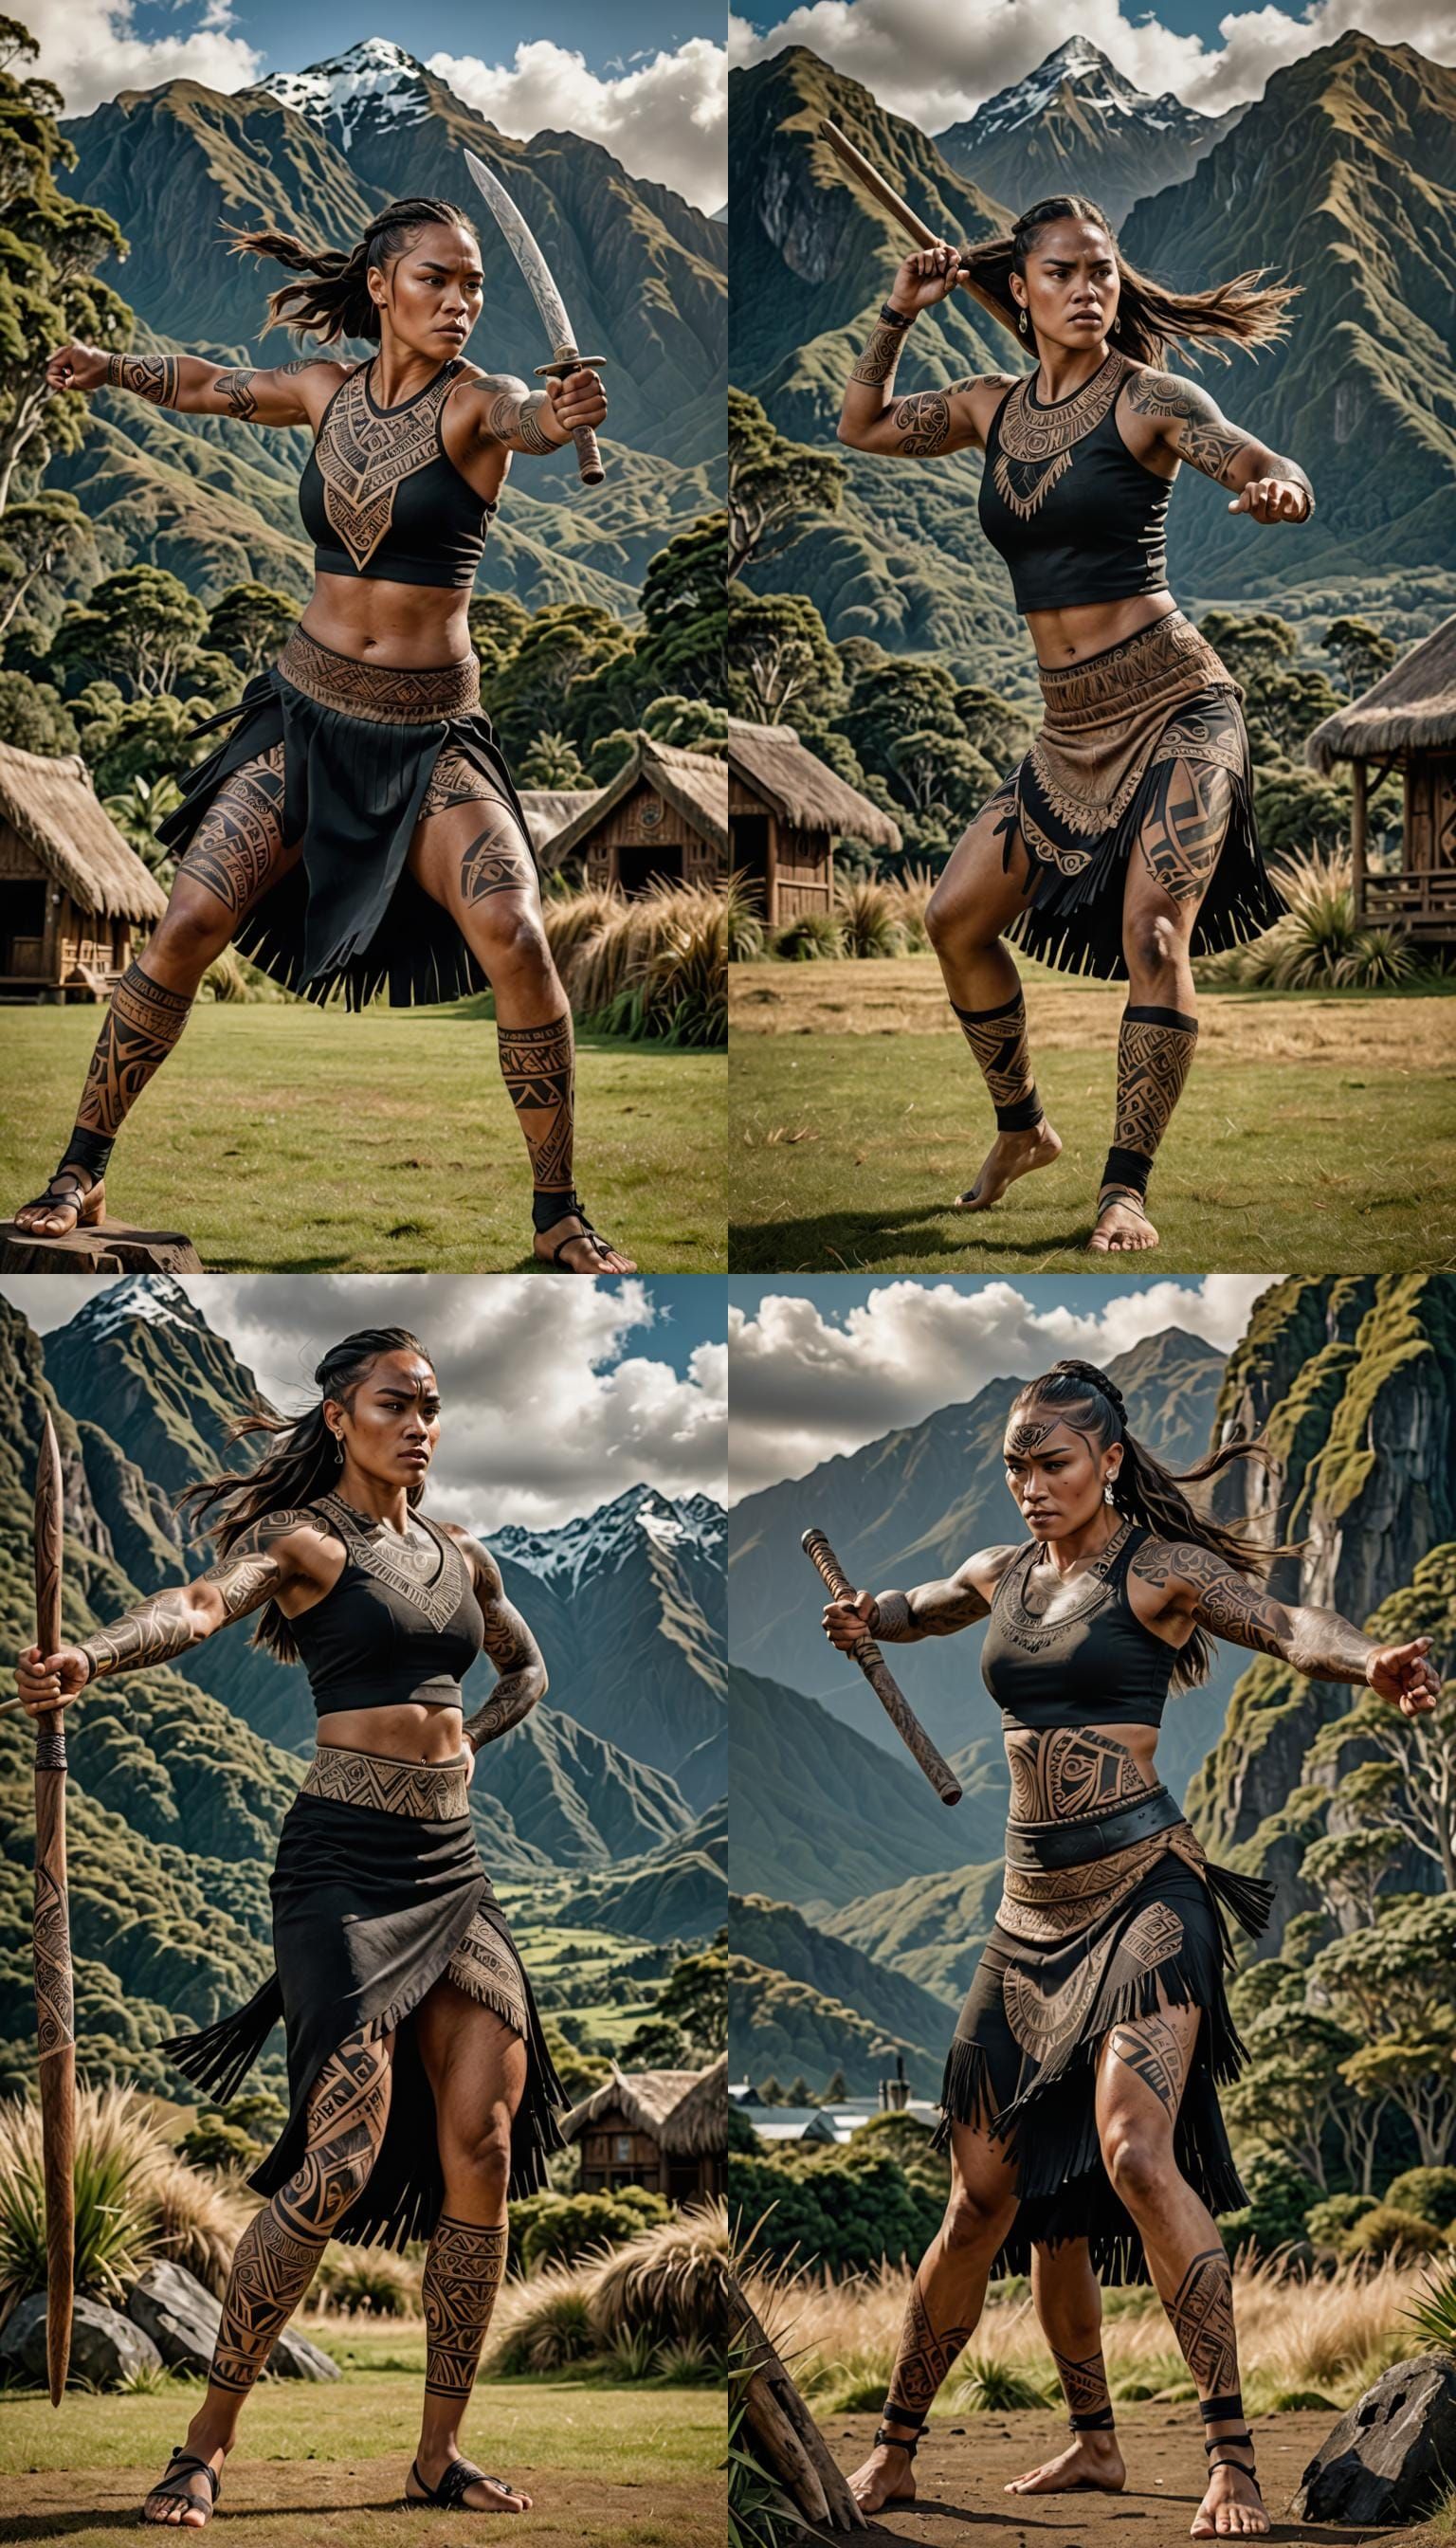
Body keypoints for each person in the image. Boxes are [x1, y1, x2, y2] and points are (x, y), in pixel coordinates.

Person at [820, 1357, 1436, 2539]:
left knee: (1135, 2155)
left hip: (1149, 1897)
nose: (1032, 1486)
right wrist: (871, 1617)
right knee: (982, 2198)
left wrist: (1369, 1663)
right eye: (1016, 1466)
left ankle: (1232, 2463)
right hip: (1025, 1918)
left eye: (1053, 1463)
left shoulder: (1159, 1573)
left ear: (1108, 1461)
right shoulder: (1004, 1572)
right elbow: (933, 1602)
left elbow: (1290, 1624)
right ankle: (906, 2450)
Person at [14, 197, 633, 1273]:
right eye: (438, 278)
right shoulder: (323, 393)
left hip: (433, 740)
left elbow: (528, 420)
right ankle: (80, 1168)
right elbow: (211, 385)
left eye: (474, 284)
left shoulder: (480, 405)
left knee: (518, 935)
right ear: (383, 286)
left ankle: (560, 1215)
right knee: (185, 924)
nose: (462, 300)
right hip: (303, 723)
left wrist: (564, 415)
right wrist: (110, 366)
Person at [17, 1325, 566, 2524]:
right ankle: (205, 2443)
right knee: (337, 2162)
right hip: (343, 1872)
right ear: (338, 1415)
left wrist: (475, 1744)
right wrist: (93, 1660)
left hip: (454, 1864)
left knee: (481, 2147)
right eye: (395, 1403)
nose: (420, 1423)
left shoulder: (464, 1556)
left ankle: (437, 2456)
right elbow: (201, 1603)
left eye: (432, 1405)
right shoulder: (306, 1541)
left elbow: (523, 1675)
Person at [835, 199, 1311, 1255]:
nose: (1089, 288)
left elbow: (1260, 462)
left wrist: (1279, 489)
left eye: (1102, 271)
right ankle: (1023, 1131)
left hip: (1180, 704)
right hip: (1067, 732)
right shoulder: (986, 408)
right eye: (1061, 273)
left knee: (1153, 931)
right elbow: (859, 425)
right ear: (1020, 292)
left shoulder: (1151, 400)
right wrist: (897, 315)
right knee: (955, 919)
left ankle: (1124, 1190)